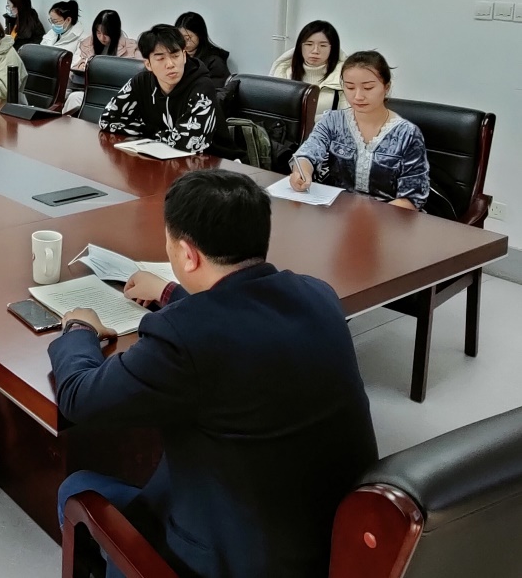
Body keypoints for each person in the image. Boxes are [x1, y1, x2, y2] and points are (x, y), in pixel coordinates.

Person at [52, 170, 377, 578]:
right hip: (337, 546)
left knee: (76, 488)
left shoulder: (183, 338)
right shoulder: (319, 295)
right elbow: (240, 320)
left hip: (235, 564)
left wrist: (78, 329)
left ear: (188, 256)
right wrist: (171, 293)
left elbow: (79, 398)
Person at [290, 51, 428, 210]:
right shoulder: (332, 121)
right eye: (350, 87)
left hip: (389, 216)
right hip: (337, 212)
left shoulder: (407, 134)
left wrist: (371, 218)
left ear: (386, 87)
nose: (358, 96)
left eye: (368, 88)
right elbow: (308, 152)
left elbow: (412, 197)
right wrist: (302, 172)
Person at [99, 25, 219, 154]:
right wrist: (155, 133)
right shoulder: (141, 82)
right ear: (148, 64)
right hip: (160, 156)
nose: (170, 64)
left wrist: (149, 133)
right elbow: (107, 120)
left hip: (211, 159)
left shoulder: (202, 86)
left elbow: (188, 142)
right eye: (160, 58)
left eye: (175, 56)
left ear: (184, 56)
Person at [270, 20, 344, 119]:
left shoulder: (344, 77)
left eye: (323, 45)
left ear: (333, 48)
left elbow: (349, 117)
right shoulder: (282, 73)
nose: (315, 51)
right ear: (300, 46)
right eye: (309, 44)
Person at [175, 11, 230, 92]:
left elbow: (216, 93)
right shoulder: (177, 58)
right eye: (180, 38)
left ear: (200, 35)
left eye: (188, 38)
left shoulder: (214, 62)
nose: (184, 42)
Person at [74, 10, 140, 72]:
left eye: (106, 34)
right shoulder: (87, 44)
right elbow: (76, 66)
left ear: (115, 32)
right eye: (98, 33)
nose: (102, 38)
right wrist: (81, 66)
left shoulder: (131, 48)